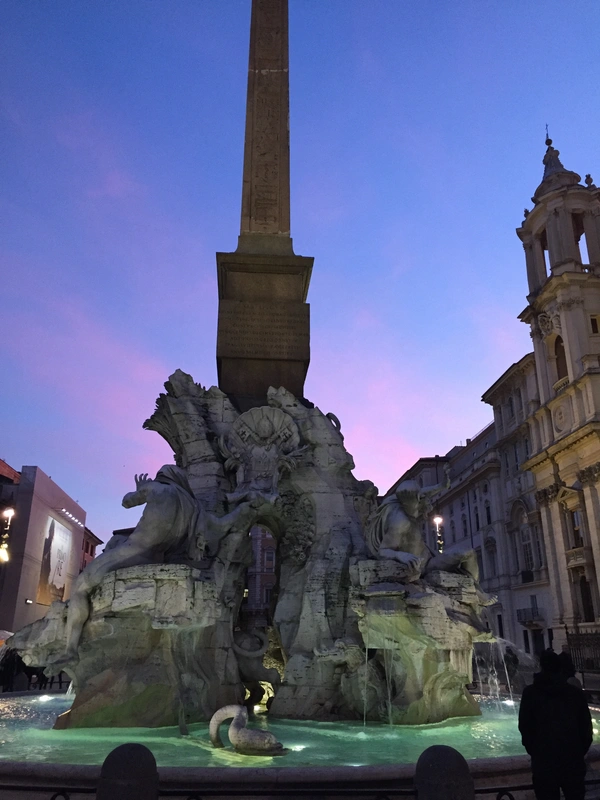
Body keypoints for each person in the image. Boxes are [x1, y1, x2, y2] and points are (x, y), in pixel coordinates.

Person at [51, 465, 269, 668]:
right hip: (159, 557)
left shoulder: (157, 488)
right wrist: (246, 509)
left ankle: (70, 649)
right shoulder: (194, 508)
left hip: (133, 553)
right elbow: (222, 526)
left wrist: (140, 490)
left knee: (80, 585)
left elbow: (126, 502)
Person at [519, 649, 592, 800]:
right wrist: (578, 752)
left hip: (544, 763)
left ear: (542, 667)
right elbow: (586, 729)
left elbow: (525, 727)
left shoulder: (530, 694)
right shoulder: (575, 694)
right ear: (560, 668)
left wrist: (536, 752)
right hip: (572, 761)